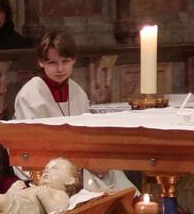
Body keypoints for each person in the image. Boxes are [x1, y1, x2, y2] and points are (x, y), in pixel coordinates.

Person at [13, 31, 135, 194]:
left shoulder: (78, 92)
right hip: (45, 168)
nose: (60, 68)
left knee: (113, 173)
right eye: (52, 62)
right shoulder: (30, 94)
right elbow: (32, 145)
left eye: (65, 61)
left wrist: (95, 161)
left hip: (78, 162)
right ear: (41, 62)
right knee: (95, 186)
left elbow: (87, 137)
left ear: (74, 60)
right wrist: (83, 164)